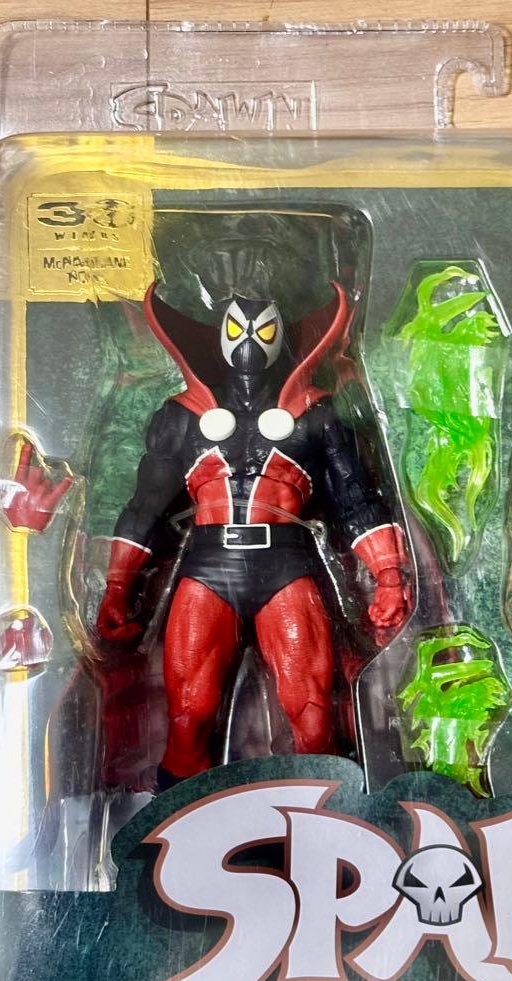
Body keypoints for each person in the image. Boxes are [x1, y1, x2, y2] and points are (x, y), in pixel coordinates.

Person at [95, 282, 411, 788]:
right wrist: (118, 586)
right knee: (187, 718)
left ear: (282, 336)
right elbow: (147, 504)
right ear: (217, 335)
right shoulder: (183, 415)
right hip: (209, 565)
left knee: (313, 717)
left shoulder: (315, 411)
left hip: (285, 563)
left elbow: (354, 497)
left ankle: (330, 818)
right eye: (238, 330)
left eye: (262, 331)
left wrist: (388, 574)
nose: (248, 342)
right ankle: (179, 824)